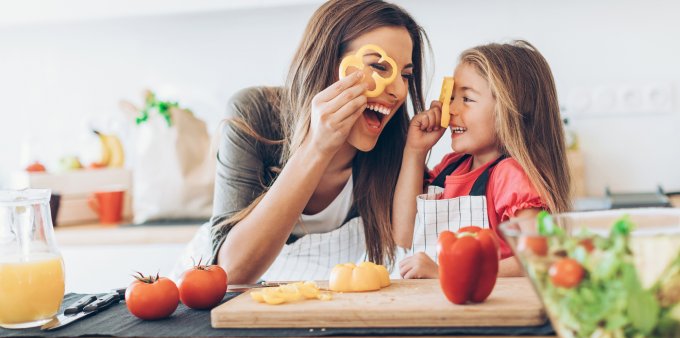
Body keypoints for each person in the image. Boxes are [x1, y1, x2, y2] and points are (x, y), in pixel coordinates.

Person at [208, 0, 430, 284]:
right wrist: (317, 146)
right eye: (379, 67)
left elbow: (409, 245)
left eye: (406, 75)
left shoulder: (397, 146)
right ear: (327, 62)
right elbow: (231, 274)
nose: (398, 91)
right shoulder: (254, 113)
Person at [392, 40, 572, 279]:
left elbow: (540, 257)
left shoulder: (510, 175)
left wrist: (448, 272)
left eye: (466, 99)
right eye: (452, 98)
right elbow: (404, 235)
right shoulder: (450, 167)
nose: (451, 110)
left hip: (488, 313)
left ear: (509, 111)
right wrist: (414, 151)